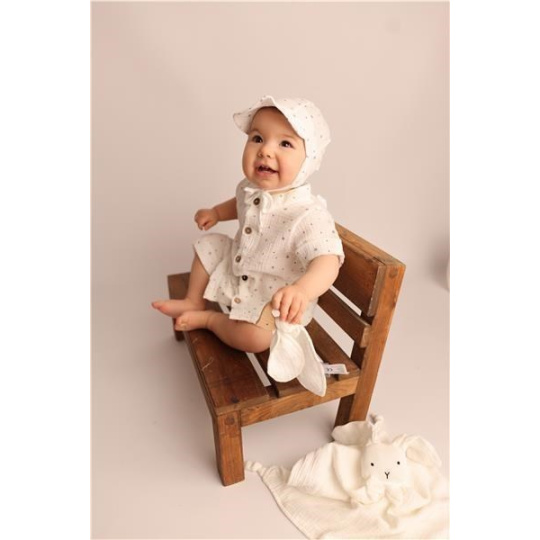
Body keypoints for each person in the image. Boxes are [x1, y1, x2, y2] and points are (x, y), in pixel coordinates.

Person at [152, 96, 344, 354]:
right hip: (239, 267)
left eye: (285, 143)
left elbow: (328, 260)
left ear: (308, 160)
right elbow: (240, 204)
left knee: (254, 339)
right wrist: (216, 213)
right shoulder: (249, 188)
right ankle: (193, 301)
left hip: (274, 296)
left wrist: (301, 290)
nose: (265, 150)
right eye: (257, 138)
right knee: (209, 245)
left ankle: (211, 320)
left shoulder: (308, 214)